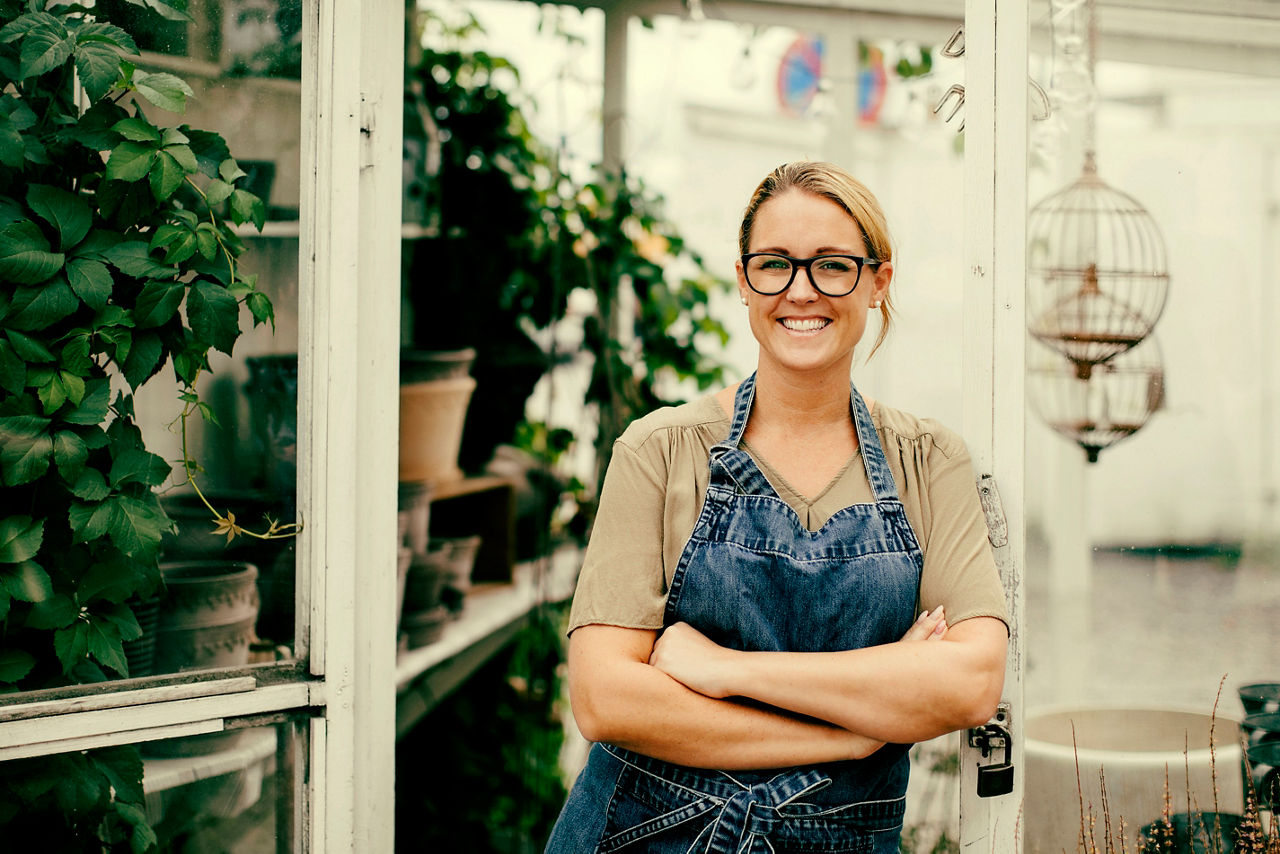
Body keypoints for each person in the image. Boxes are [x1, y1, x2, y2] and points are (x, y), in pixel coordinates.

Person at [545, 160, 1010, 854]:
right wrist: (852, 736)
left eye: (832, 266)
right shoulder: (660, 449)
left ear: (879, 282)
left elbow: (970, 683)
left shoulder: (930, 460)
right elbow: (604, 698)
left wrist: (725, 670)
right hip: (641, 836)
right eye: (775, 265)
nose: (801, 291)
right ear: (743, 278)